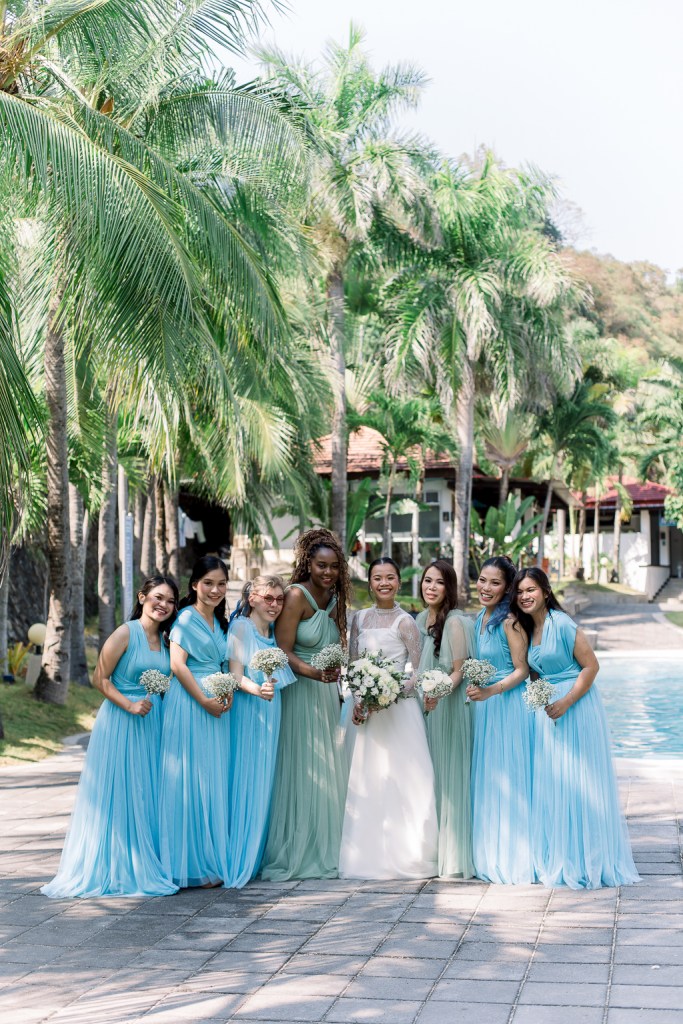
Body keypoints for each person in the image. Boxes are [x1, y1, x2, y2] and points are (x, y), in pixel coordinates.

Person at [42, 577, 179, 898]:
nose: (164, 605)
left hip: (153, 720)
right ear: (142, 597)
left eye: (171, 601)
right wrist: (130, 704)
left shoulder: (166, 638)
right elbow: (99, 678)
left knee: (148, 791)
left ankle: (147, 859)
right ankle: (116, 866)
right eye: (158, 597)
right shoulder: (124, 633)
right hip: (121, 719)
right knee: (122, 790)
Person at [510, 568, 639, 889]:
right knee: (555, 785)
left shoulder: (562, 624)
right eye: (520, 592)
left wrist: (566, 701)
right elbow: (536, 673)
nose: (525, 596)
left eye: (531, 590)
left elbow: (591, 666)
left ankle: (587, 858)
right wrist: (538, 695)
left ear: (545, 591)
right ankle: (561, 854)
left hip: (576, 708)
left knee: (580, 782)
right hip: (548, 712)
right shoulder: (530, 628)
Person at [339, 557, 438, 880]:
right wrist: (358, 697)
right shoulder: (360, 618)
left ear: (398, 582)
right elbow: (353, 663)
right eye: (377, 577)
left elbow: (418, 670)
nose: (384, 583)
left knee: (401, 779)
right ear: (369, 582)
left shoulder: (405, 622)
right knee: (366, 779)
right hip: (364, 710)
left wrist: (390, 691)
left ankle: (407, 851)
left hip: (397, 711)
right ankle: (363, 852)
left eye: (390, 577)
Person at [261, 529, 350, 880]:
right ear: (307, 564)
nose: (327, 573)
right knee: (303, 765)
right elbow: (282, 649)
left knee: (328, 766)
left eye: (333, 567)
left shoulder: (334, 598)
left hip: (327, 692)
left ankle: (326, 841)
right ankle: (299, 847)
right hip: (300, 687)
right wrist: (312, 671)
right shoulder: (296, 595)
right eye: (321, 565)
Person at [159, 556, 232, 888]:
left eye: (220, 584)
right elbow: (177, 665)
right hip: (189, 703)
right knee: (188, 779)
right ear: (194, 584)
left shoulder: (219, 621)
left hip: (216, 703)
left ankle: (206, 857)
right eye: (208, 583)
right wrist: (203, 699)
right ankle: (186, 864)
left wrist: (225, 691)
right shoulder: (186, 618)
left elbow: (223, 663)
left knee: (209, 777)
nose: (215, 590)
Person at [466, 556, 535, 884]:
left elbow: (522, 670)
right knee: (490, 779)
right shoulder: (479, 617)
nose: (486, 588)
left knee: (510, 777)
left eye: (495, 583)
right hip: (485, 707)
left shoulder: (510, 620)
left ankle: (515, 855)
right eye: (482, 580)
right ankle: (489, 851)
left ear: (507, 587)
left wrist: (492, 689)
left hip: (507, 707)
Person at [226, 576, 295, 888]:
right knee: (247, 777)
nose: (275, 605)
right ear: (252, 598)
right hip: (250, 710)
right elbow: (235, 675)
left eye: (279, 599)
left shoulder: (271, 632)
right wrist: (258, 690)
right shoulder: (241, 628)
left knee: (265, 778)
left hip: (271, 707)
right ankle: (239, 855)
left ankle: (256, 856)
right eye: (268, 598)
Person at [416, 560, 475, 878]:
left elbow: (460, 670)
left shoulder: (454, 622)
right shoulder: (420, 619)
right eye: (427, 581)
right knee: (429, 777)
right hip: (426, 707)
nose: (431, 587)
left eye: (439, 582)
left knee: (449, 778)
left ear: (449, 587)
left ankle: (453, 854)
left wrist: (439, 691)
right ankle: (431, 848)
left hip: (449, 708)